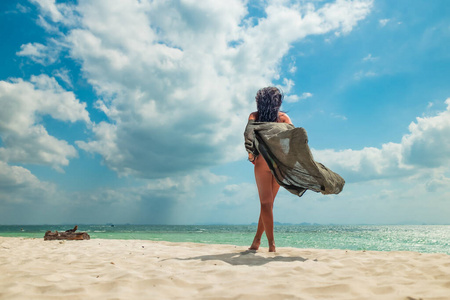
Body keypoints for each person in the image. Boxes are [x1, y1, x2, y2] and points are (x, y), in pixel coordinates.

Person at [247, 86, 293, 252]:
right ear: (277, 102)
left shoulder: (255, 116)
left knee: (266, 204)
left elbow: (248, 135)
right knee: (268, 204)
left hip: (263, 162)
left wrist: (251, 155)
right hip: (279, 163)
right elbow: (292, 140)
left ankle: (271, 245)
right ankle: (257, 241)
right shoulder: (283, 118)